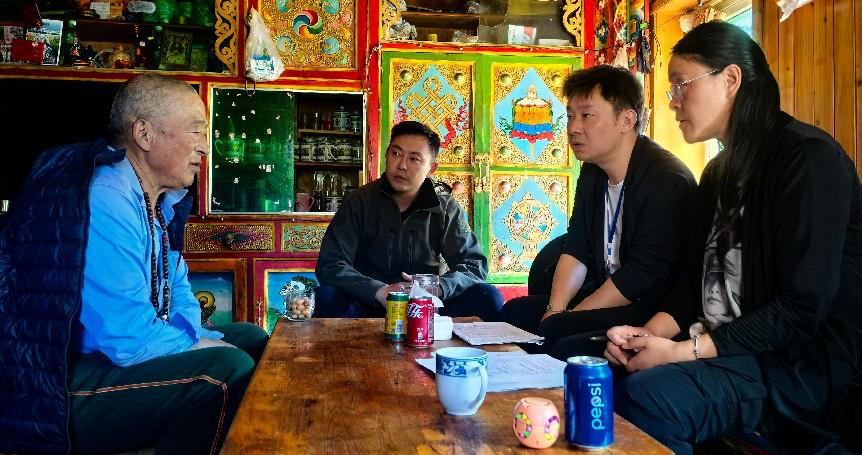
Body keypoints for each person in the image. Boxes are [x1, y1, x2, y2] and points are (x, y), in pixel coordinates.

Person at [604, 21, 862, 454]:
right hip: (725, 350)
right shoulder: (718, 173)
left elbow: (801, 310)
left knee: (646, 399)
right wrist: (645, 338)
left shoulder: (808, 160)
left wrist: (680, 352)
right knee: (600, 370)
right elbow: (694, 283)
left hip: (789, 366)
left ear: (730, 79)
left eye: (681, 85)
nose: (673, 102)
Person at [0, 74, 269, 455]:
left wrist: (196, 338)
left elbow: (178, 294)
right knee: (227, 371)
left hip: (111, 357)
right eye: (196, 131)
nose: (205, 147)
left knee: (252, 340)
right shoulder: (106, 198)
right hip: (55, 387)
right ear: (144, 133)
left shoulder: (157, 202)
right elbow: (127, 339)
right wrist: (198, 345)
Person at [502, 65, 696, 359]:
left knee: (559, 335)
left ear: (627, 120)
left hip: (650, 306)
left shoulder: (666, 179)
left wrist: (570, 317)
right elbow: (576, 246)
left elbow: (641, 274)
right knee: (516, 313)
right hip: (608, 290)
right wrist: (555, 309)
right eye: (570, 116)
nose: (573, 128)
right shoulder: (593, 171)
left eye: (587, 116)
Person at [315, 120, 503, 322]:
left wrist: (438, 287)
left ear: (431, 168)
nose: (402, 165)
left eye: (414, 159)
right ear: (386, 155)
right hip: (369, 301)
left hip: (427, 304)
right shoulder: (359, 201)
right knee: (325, 297)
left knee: (487, 297)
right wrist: (378, 291)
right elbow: (330, 264)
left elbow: (474, 264)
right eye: (396, 154)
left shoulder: (445, 207)